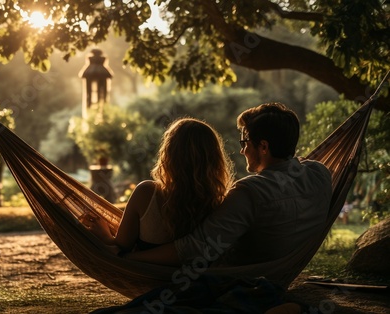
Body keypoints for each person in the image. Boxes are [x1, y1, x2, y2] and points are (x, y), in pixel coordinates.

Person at [125, 102, 333, 268]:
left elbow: (195, 248)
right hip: (286, 270)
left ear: (263, 147)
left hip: (244, 279)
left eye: (245, 143)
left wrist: (135, 258)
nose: (242, 151)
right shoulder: (320, 174)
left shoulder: (249, 193)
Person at [80, 117, 234, 254]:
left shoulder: (147, 192)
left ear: (168, 154)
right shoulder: (219, 202)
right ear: (215, 159)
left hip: (146, 276)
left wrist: (105, 234)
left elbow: (122, 247)